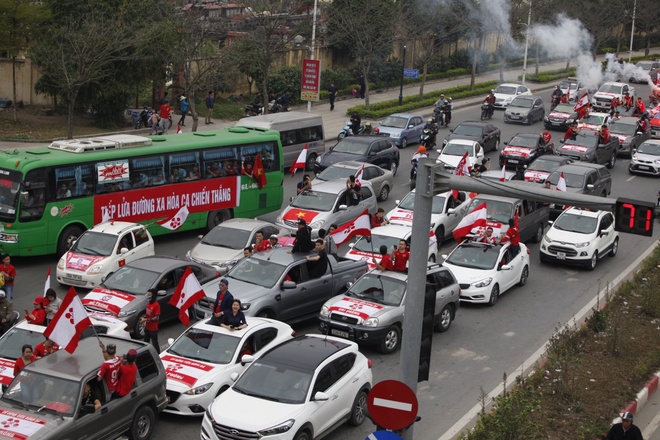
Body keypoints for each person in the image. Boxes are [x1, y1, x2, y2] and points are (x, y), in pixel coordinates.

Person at [140, 289, 160, 353]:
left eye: (149, 295)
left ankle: (158, 354)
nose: (148, 297)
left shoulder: (156, 305)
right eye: (147, 295)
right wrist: (144, 318)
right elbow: (148, 314)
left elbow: (156, 318)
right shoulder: (148, 304)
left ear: (153, 296)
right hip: (147, 327)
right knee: (145, 342)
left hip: (153, 329)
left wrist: (146, 319)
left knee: (155, 343)